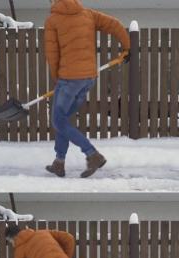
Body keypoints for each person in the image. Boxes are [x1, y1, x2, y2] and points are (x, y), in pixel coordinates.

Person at [44, 0, 130, 178]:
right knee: (63, 120)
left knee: (59, 121)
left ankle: (92, 154)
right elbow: (114, 24)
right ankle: (59, 162)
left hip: (69, 79)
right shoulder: (88, 14)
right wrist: (127, 46)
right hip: (88, 78)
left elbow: (52, 54)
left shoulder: (53, 20)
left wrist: (57, 78)